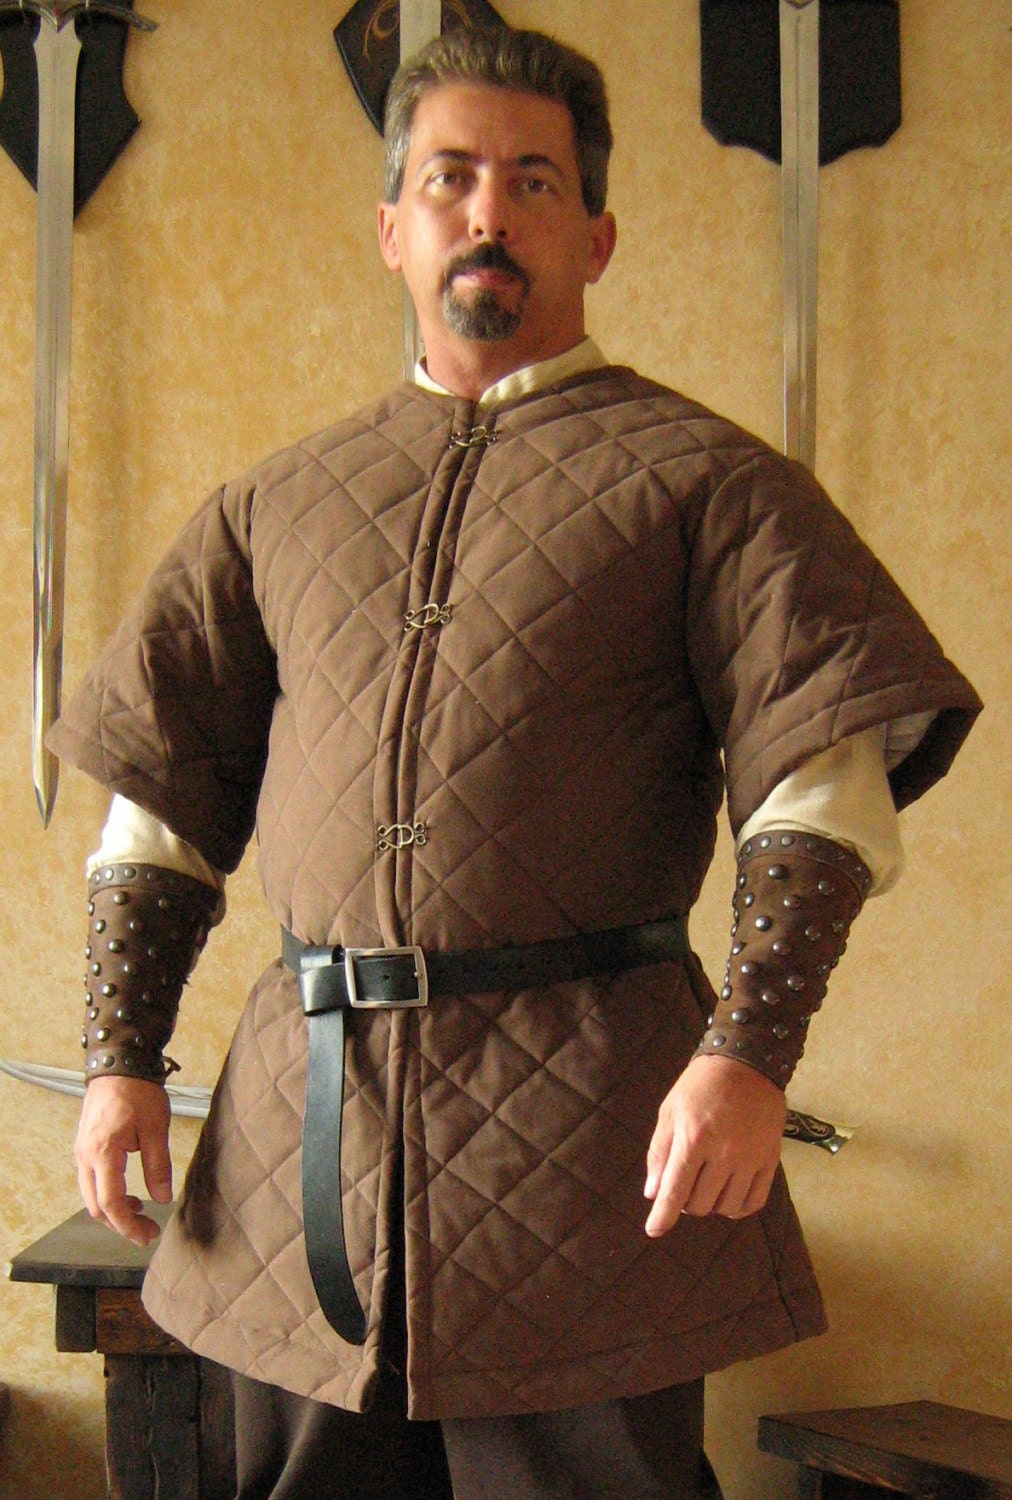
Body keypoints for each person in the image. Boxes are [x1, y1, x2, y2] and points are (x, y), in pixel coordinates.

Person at [54, 26, 980, 1500]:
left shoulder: (711, 485)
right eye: (450, 178)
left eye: (533, 182)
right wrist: (119, 1060)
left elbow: (820, 787)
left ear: (595, 235)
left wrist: (748, 1054)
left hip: (587, 1142)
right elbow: (156, 803)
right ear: (393, 227)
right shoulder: (274, 507)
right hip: (306, 1136)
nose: (488, 213)